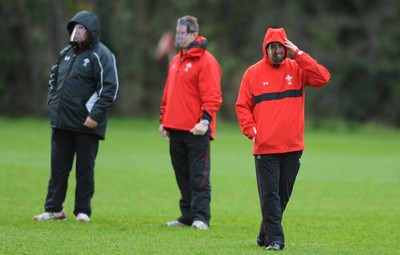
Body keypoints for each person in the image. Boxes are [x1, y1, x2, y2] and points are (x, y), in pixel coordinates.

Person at [235, 28, 330, 250]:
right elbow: (242, 106)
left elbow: (323, 77)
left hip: (293, 146)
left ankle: (264, 234)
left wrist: (299, 53)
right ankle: (276, 240)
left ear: (286, 48)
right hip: (265, 148)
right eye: (272, 47)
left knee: (283, 195)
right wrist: (252, 131)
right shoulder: (252, 73)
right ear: (265, 48)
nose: (276, 51)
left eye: (280, 47)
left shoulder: (298, 68)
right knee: (270, 195)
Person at [33, 11, 119, 222]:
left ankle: (83, 210)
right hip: (62, 123)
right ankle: (54, 209)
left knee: (84, 170)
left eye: (81, 28)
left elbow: (110, 88)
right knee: (58, 169)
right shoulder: (65, 53)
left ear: (91, 31)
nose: (77, 32)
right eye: (75, 28)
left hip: (87, 124)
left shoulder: (102, 54)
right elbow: (53, 78)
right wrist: (53, 103)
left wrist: (95, 115)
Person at [159, 15, 223, 230]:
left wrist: (205, 121)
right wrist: (164, 119)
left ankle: (200, 217)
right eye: (177, 32)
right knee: (182, 176)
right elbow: (169, 92)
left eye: (182, 32)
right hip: (175, 128)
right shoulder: (176, 59)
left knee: (199, 176)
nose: (178, 36)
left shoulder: (207, 61)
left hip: (196, 130)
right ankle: (187, 216)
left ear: (194, 35)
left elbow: (213, 95)